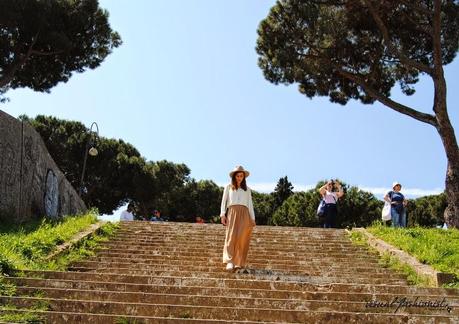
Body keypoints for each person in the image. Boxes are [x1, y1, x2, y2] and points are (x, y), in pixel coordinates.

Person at [220, 165, 256, 271]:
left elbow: (250, 204)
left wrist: (252, 218)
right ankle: (229, 261)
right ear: (234, 176)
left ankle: (238, 262)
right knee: (231, 236)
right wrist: (223, 214)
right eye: (238, 176)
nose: (239, 178)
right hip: (232, 212)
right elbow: (224, 201)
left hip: (245, 213)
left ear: (243, 177)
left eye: (241, 176)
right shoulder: (228, 187)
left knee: (241, 237)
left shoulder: (247, 190)